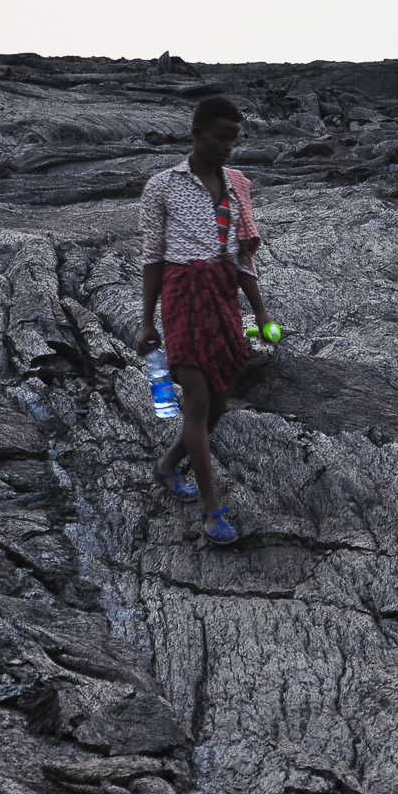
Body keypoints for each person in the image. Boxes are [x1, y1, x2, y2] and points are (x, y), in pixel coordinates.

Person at [137, 95, 274, 544]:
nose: (227, 148)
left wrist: (260, 310)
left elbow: (240, 256)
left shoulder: (236, 183)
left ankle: (166, 465)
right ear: (196, 134)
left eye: (233, 140)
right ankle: (212, 509)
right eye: (220, 138)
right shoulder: (162, 186)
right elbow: (153, 258)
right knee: (197, 401)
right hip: (181, 295)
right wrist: (146, 321)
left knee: (219, 401)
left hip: (222, 295)